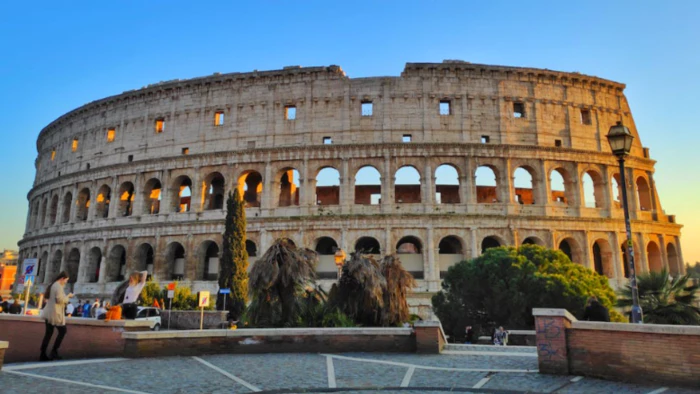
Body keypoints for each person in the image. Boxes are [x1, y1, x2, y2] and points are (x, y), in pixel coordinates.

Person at [40, 271, 73, 361]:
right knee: (63, 331)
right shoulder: (58, 286)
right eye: (66, 280)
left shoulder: (53, 285)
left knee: (48, 334)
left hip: (49, 312)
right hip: (55, 314)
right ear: (62, 278)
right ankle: (54, 351)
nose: (66, 282)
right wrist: (68, 296)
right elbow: (60, 300)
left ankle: (43, 354)